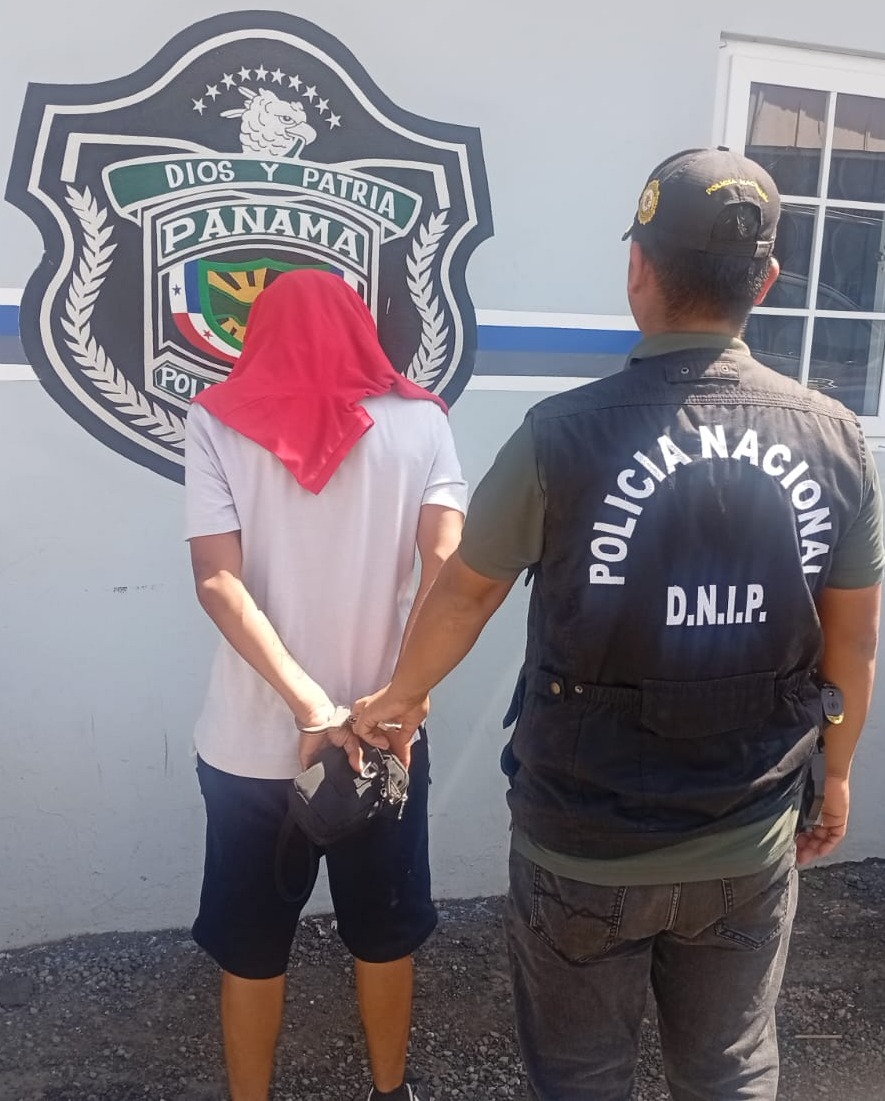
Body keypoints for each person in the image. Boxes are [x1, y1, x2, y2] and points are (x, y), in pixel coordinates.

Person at [353, 148, 884, 1101]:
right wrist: (836, 770)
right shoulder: (835, 437)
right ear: (764, 281)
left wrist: (399, 697)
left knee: (579, 1077)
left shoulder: (558, 435)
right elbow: (853, 636)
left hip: (582, 841)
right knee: (728, 1068)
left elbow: (466, 593)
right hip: (748, 828)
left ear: (636, 268)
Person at [184, 269, 466, 1101]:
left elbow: (216, 580)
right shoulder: (422, 421)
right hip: (386, 738)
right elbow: (446, 564)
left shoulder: (216, 420)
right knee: (384, 933)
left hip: (250, 744)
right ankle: (389, 1090)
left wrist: (308, 705)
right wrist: (407, 693)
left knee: (252, 946)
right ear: (360, 326)